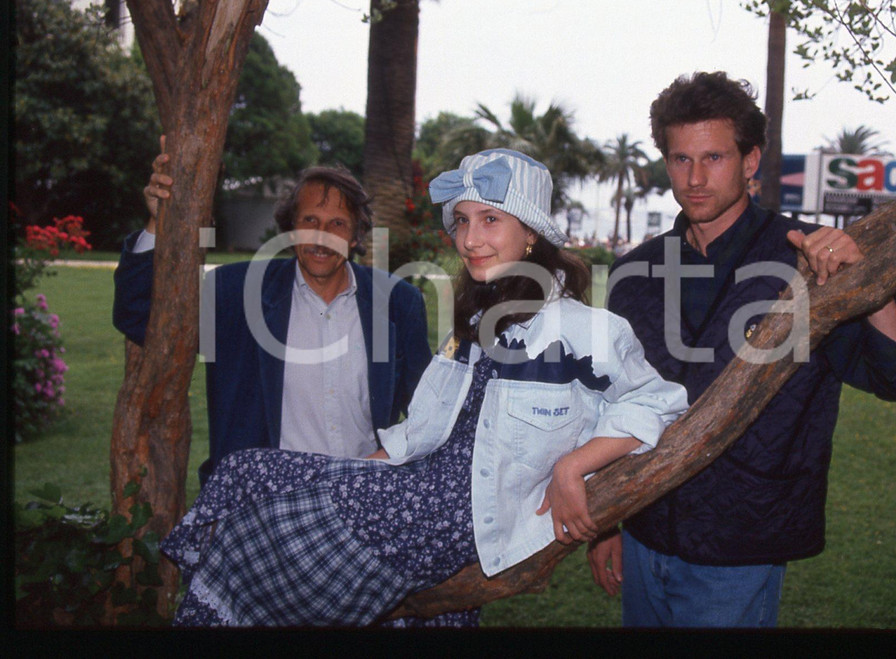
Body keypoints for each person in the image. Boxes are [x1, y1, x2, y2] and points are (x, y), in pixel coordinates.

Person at [158, 148, 688, 627]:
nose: (469, 239)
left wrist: (572, 466)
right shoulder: (476, 325)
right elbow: (423, 427)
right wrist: (361, 470)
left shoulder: (582, 330)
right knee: (241, 476)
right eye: (462, 221)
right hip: (417, 489)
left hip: (450, 516)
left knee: (246, 531)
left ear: (531, 233)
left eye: (490, 219)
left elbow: (661, 401)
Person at [587, 71, 896, 628]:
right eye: (680, 159)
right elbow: (613, 401)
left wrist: (868, 283)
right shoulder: (634, 274)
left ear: (750, 160)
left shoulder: (809, 259)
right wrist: (608, 520)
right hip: (643, 529)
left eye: (714, 157)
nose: (695, 178)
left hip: (742, 544)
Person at [113, 139, 432, 484]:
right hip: (261, 499)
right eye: (310, 220)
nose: (321, 236)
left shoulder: (398, 302)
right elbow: (138, 316)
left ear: (356, 236)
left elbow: (429, 413)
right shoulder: (235, 294)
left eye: (337, 224)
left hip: (362, 494)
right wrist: (157, 223)